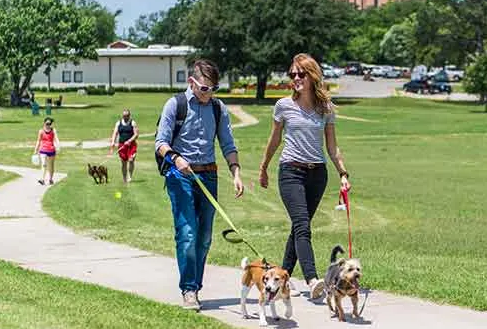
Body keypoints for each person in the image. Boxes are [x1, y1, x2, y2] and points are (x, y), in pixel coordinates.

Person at [259, 53, 351, 300]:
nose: (296, 78)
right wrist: (264, 166)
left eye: (301, 74)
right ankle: (312, 279)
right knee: (302, 226)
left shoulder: (326, 108)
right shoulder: (283, 106)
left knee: (299, 228)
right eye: (292, 74)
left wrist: (343, 173)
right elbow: (275, 139)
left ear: (312, 76)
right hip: (290, 171)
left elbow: (332, 147)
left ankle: (282, 277)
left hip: (317, 174)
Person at [155, 60, 244, 310]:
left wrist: (236, 173)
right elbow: (160, 143)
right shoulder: (175, 104)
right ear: (191, 83)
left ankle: (196, 284)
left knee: (204, 237)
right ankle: (189, 290)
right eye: (205, 88)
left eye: (213, 89)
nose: (209, 94)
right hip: (180, 175)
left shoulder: (218, 108)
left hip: (209, 175)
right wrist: (176, 158)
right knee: (188, 232)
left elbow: (228, 143)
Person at [110, 109, 139, 184]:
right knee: (123, 163)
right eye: (124, 116)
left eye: (127, 116)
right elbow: (115, 133)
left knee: (131, 160)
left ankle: (130, 176)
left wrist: (129, 141)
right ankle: (124, 178)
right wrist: (113, 142)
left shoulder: (133, 123)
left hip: (131, 145)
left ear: (129, 116)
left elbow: (136, 134)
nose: (125, 117)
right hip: (122, 145)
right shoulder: (118, 123)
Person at [33, 117, 59, 185]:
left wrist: (58, 146)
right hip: (43, 150)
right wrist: (36, 149)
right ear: (44, 123)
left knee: (51, 165)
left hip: (51, 150)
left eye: (49, 124)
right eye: (47, 123)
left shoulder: (53, 130)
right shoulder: (41, 131)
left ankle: (50, 179)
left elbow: (56, 138)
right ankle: (42, 179)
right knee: (44, 164)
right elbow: (38, 141)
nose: (48, 125)